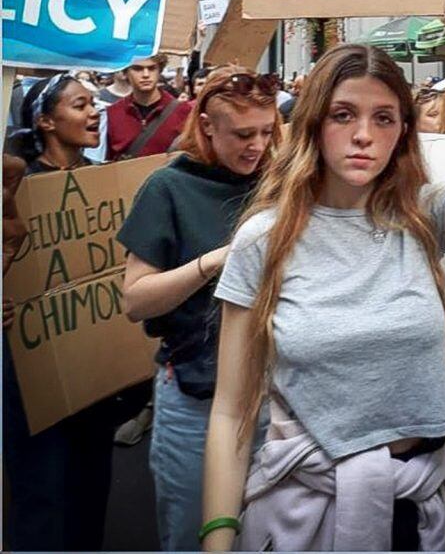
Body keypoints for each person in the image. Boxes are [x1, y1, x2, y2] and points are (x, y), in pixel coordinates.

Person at [200, 0, 445, 553]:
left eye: (384, 118)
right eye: (344, 115)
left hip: (426, 514)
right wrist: (218, 537)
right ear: (314, 125)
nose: (363, 135)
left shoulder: (425, 216)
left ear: (403, 132)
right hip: (306, 521)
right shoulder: (263, 241)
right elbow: (231, 413)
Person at [117, 67, 282, 552]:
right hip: (196, 398)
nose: (257, 145)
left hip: (274, 394)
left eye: (268, 131)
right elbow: (135, 299)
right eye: (243, 134)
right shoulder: (167, 187)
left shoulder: (278, 183)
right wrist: (213, 263)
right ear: (207, 126)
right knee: (195, 536)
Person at [3, 76, 117, 552]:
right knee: (41, 493)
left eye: (94, 104)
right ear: (46, 121)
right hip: (28, 369)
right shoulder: (13, 188)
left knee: (91, 490)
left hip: (92, 367)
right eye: (80, 104)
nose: (94, 113)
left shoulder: (108, 180)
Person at [107, 54, 191, 160]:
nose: (146, 75)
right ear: (125, 73)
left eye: (152, 68)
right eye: (138, 69)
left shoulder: (183, 111)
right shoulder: (112, 114)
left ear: (159, 71)